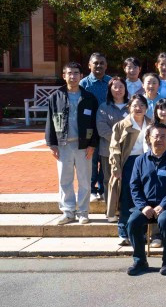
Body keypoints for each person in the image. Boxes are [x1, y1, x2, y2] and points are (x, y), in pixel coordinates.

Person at [125, 123, 166, 276]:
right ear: (149, 139)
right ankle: (140, 261)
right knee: (132, 222)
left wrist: (163, 205)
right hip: (145, 206)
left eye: (163, 136)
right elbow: (134, 186)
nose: (159, 139)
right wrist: (143, 206)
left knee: (165, 221)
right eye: (156, 136)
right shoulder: (140, 161)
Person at [45, 62, 99, 226]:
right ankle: (68, 212)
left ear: (81, 76)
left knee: (84, 181)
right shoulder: (56, 97)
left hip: (84, 146)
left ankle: (83, 212)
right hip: (64, 145)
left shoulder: (89, 98)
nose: (72, 76)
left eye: (76, 73)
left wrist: (92, 144)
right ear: (64, 76)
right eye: (69, 73)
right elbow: (50, 121)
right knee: (64, 180)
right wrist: (52, 144)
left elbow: (95, 122)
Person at [108, 94, 150, 245]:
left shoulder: (151, 124)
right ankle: (123, 232)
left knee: (144, 198)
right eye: (135, 105)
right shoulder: (121, 125)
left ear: (147, 108)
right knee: (126, 197)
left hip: (147, 163)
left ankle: (141, 232)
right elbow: (114, 148)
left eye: (142, 105)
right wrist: (116, 167)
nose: (138, 108)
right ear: (129, 107)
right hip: (128, 163)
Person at [96, 76, 128, 220]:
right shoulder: (104, 107)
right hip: (108, 150)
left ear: (125, 89)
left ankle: (124, 209)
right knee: (109, 180)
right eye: (115, 87)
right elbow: (102, 128)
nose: (118, 90)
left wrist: (126, 142)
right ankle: (111, 211)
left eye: (121, 86)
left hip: (129, 150)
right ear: (110, 89)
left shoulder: (132, 106)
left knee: (127, 180)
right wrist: (119, 140)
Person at [81, 52, 111, 202]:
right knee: (91, 160)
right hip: (90, 128)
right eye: (96, 63)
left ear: (106, 65)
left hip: (107, 127)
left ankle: (103, 189)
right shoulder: (84, 84)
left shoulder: (111, 82)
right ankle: (92, 189)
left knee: (105, 159)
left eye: (102, 63)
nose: (99, 66)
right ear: (89, 65)